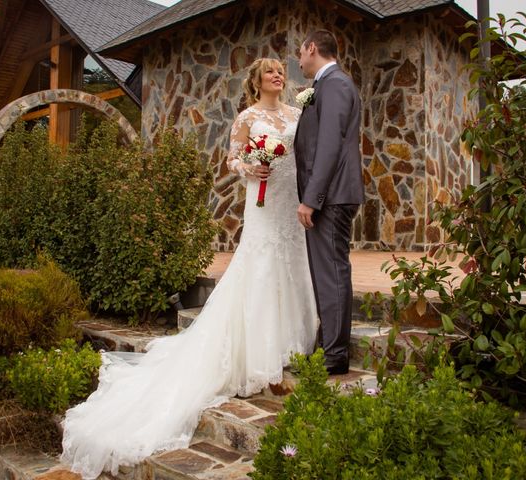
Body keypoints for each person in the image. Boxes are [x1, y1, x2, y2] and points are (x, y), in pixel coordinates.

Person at [60, 58, 319, 479]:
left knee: (291, 260)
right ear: (257, 82)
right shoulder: (246, 117)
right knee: (259, 265)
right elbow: (232, 161)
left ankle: (291, 340)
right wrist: (248, 167)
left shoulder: (294, 113)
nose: (278, 75)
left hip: (290, 198)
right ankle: (257, 353)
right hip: (262, 200)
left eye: (280, 71)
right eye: (269, 72)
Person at [294, 30, 364, 375]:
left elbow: (330, 145)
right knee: (327, 272)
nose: (299, 60)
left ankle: (335, 355)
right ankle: (328, 346)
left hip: (331, 196)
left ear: (312, 48)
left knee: (332, 271)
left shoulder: (334, 83)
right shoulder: (327, 85)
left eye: (300, 53)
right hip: (332, 194)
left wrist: (311, 198)